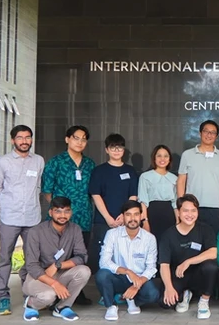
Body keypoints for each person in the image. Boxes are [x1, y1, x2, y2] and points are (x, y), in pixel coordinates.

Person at [0, 124, 45, 316]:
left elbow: (38, 186)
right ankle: (3, 296)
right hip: (9, 217)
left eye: (28, 137)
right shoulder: (3, 161)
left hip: (32, 217)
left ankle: (28, 292)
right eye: (20, 137)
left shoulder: (38, 161)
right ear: (13, 140)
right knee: (5, 257)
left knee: (32, 259)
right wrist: (7, 204)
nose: (24, 141)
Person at [42, 125, 96, 304]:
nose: (80, 142)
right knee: (60, 256)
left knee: (80, 255)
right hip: (62, 220)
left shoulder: (89, 164)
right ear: (67, 139)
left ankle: (76, 292)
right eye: (76, 138)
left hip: (84, 217)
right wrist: (60, 210)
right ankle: (56, 292)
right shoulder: (56, 162)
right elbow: (47, 192)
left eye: (83, 139)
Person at [21, 196, 91, 322]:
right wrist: (55, 284)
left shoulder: (75, 229)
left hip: (60, 272)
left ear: (71, 212)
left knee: (84, 271)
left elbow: (82, 257)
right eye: (58, 211)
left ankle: (62, 307)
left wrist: (58, 265)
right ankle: (31, 304)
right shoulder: (36, 232)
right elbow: (31, 265)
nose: (62, 215)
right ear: (50, 212)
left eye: (66, 211)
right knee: (49, 296)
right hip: (38, 276)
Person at [95, 200, 160, 321]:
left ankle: (132, 300)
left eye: (136, 214)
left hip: (140, 279)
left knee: (153, 294)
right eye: (128, 214)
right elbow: (104, 262)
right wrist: (128, 272)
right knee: (102, 275)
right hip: (119, 278)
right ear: (123, 217)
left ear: (141, 216)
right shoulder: (112, 234)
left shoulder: (150, 238)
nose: (132, 218)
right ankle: (111, 306)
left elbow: (151, 267)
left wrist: (138, 283)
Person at [158, 194, 219, 320]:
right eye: (185, 211)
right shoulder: (168, 235)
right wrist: (169, 288)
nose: (190, 214)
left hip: (199, 275)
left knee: (211, 266)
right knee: (165, 303)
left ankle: (204, 300)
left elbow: (213, 252)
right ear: (178, 212)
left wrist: (189, 261)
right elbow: (164, 264)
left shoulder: (205, 229)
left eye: (193, 210)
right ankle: (185, 294)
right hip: (179, 276)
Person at [88, 133, 138, 275]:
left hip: (127, 221)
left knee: (125, 256)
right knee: (104, 258)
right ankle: (105, 294)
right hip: (103, 221)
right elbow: (96, 195)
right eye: (113, 147)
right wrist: (108, 218)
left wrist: (125, 217)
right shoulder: (99, 171)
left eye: (120, 147)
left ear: (124, 150)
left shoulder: (130, 171)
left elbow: (133, 196)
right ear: (106, 150)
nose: (116, 150)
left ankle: (124, 292)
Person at [177, 120, 219, 232]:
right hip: (192, 207)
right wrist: (181, 207)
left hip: (215, 208)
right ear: (200, 133)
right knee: (193, 241)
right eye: (206, 131)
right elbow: (181, 181)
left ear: (216, 136)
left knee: (212, 242)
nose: (209, 135)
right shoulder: (187, 155)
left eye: (213, 132)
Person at [138, 145, 178, 240]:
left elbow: (175, 203)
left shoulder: (175, 178)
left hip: (169, 214)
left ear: (169, 159)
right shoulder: (145, 176)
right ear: (154, 158)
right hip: (152, 214)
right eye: (159, 156)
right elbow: (143, 201)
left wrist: (178, 221)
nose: (162, 159)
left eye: (166, 156)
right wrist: (145, 221)